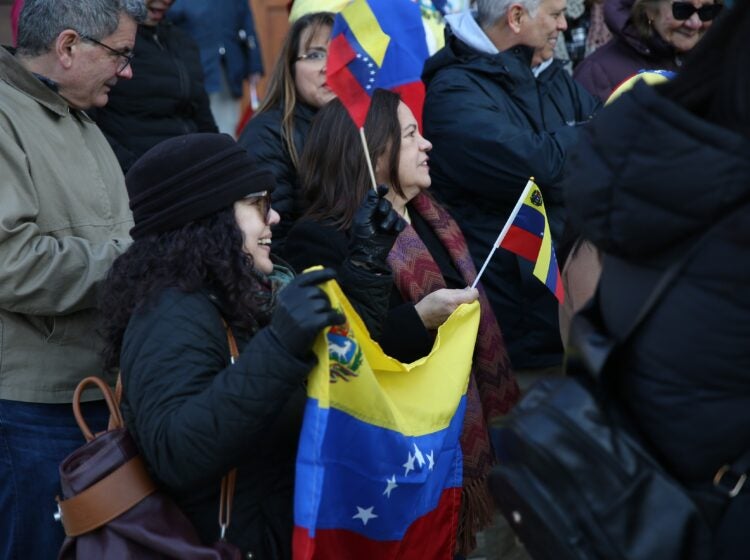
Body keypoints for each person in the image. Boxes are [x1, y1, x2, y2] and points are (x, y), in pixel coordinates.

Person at [99, 132, 404, 559]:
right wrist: (281, 345)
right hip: (226, 543)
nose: (274, 218)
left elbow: (341, 369)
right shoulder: (168, 314)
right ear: (209, 218)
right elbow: (177, 454)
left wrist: (367, 261)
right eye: (258, 203)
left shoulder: (248, 290)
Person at [285, 90, 521, 556]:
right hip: (395, 461)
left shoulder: (435, 217)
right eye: (411, 134)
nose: (426, 144)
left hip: (461, 441)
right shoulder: (319, 239)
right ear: (375, 150)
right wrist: (420, 319)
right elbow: (344, 358)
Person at [563, 1, 749, 557]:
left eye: (708, 9)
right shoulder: (725, 206)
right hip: (704, 506)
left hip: (644, 486)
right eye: (683, 6)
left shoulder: (665, 156)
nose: (694, 19)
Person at [0, 1, 144, 558]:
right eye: (121, 55)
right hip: (30, 410)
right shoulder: (7, 117)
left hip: (91, 396)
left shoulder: (79, 115)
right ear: (67, 47)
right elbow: (11, 264)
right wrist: (135, 262)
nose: (127, 71)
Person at [421, 0, 600, 379]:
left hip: (579, 321)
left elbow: (609, 153)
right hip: (516, 337)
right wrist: (596, 135)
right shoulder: (453, 92)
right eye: (554, 14)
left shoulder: (552, 78)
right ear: (516, 17)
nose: (564, 26)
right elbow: (540, 166)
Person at [238, 11, 335, 257]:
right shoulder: (267, 134)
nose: (329, 67)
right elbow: (273, 240)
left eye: (340, 53)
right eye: (315, 55)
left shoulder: (365, 127)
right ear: (290, 67)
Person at [89, 0, 217, 173]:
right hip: (139, 180)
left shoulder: (183, 41)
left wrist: (218, 159)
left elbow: (203, 117)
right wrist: (135, 172)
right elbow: (88, 124)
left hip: (191, 175)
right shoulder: (103, 43)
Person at [573, 0, 722, 101]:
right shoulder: (596, 74)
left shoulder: (718, 64)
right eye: (682, 10)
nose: (695, 23)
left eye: (707, 11)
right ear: (649, 9)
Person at [168, 0, 263, 135]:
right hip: (188, 75)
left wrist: (254, 65)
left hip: (226, 72)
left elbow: (248, 27)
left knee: (226, 128)